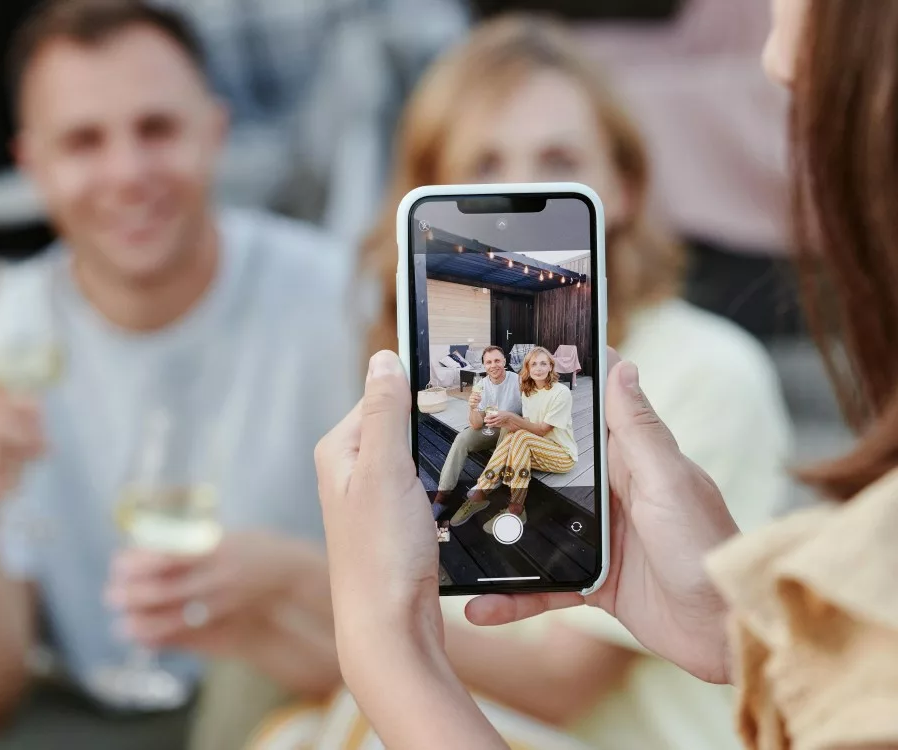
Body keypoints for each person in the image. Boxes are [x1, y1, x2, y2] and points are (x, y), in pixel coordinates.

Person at [315, 0, 898, 748]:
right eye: (483, 164)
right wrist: (734, 632)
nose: (517, 189)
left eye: (559, 161)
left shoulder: (697, 369)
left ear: (621, 188)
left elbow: (561, 683)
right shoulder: (433, 379)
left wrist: (378, 636)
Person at [0, 0, 357, 747]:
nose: (127, 173)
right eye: (83, 141)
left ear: (215, 132)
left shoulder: (344, 307)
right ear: (32, 166)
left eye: (157, 129)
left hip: (302, 691)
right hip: (88, 709)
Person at [451, 347, 576, 534]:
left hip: (561, 455)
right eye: (533, 364)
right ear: (527, 367)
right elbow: (526, 423)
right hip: (534, 450)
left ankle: (500, 502)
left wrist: (509, 417)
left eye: (543, 363)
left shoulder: (561, 392)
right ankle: (491, 501)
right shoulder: (528, 392)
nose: (539, 368)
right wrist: (505, 423)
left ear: (551, 366)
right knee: (513, 435)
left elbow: (542, 430)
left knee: (520, 435)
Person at [431, 345, 521, 520]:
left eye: (497, 360)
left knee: (505, 426)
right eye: (488, 362)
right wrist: (472, 407)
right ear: (484, 366)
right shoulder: (481, 385)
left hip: (513, 431)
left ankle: (487, 483)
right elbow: (476, 424)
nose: (493, 365)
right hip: (491, 429)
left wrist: (509, 418)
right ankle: (442, 496)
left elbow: (530, 414)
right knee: (462, 438)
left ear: (504, 361)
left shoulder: (517, 381)